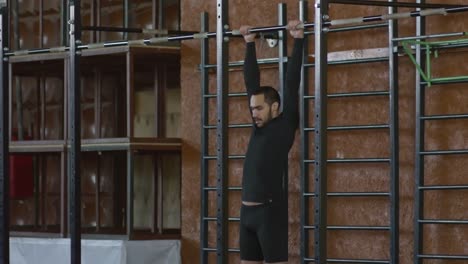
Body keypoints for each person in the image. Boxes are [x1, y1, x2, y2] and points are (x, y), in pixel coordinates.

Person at [239, 20, 304, 264]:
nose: (253, 113)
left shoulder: (285, 125)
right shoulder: (258, 127)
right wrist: (249, 44)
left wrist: (298, 40)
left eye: (259, 108)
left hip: (269, 214)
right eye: (252, 108)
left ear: (274, 107)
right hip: (246, 214)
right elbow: (250, 83)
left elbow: (292, 81)